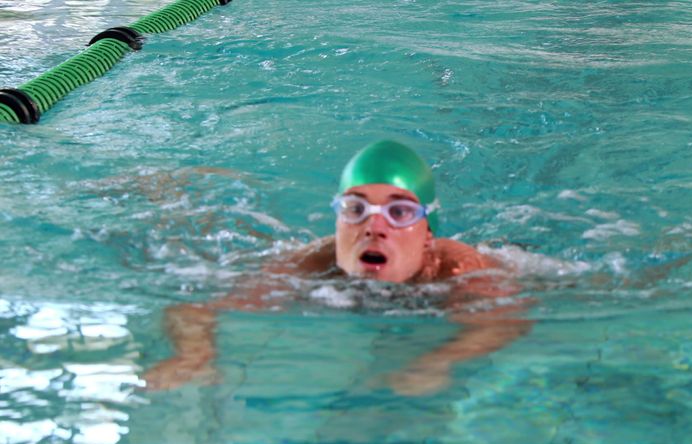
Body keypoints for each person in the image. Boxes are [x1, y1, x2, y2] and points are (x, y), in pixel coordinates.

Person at [144, 140, 531, 395]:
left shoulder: (461, 268)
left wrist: (439, 361)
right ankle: (167, 191)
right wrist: (193, 355)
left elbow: (503, 322)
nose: (373, 227)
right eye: (355, 209)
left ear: (428, 233)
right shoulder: (311, 262)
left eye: (399, 212)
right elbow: (197, 309)